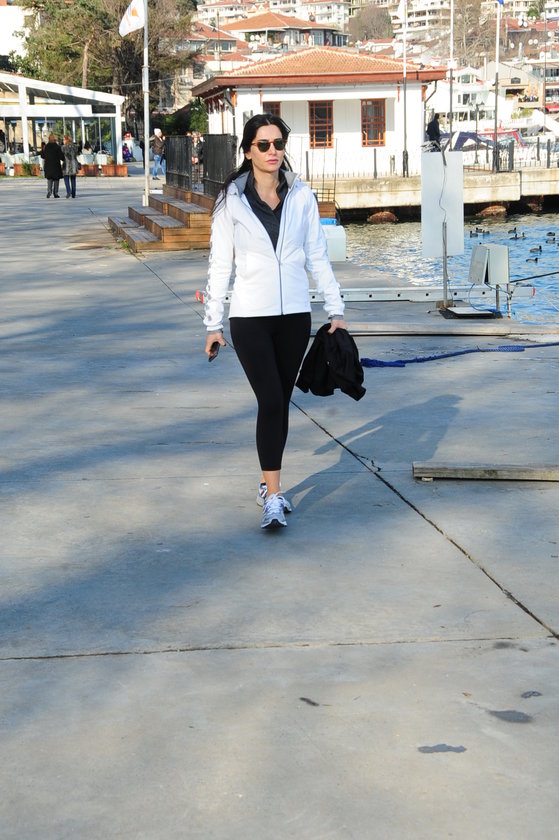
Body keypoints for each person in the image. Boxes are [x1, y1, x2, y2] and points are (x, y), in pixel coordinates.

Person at [203, 113, 347, 530]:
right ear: (248, 151)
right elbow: (219, 264)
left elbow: (317, 255)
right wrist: (213, 323)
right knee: (270, 400)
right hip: (250, 317)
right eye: (263, 144)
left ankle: (268, 484)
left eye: (278, 144)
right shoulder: (230, 201)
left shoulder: (302, 196)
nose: (272, 151)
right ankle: (274, 495)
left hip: (294, 317)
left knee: (280, 402)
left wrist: (335, 310)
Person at [40, 133, 64, 198]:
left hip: (48, 165)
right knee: (56, 179)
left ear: (49, 139)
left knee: (49, 179)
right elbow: (61, 156)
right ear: (55, 139)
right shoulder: (57, 147)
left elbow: (42, 155)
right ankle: (55, 193)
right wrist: (64, 159)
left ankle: (49, 191)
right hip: (56, 165)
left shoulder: (46, 147)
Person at [61, 134, 80, 198]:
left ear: (67, 140)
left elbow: (62, 156)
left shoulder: (63, 147)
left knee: (66, 179)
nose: (63, 141)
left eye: (64, 139)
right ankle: (73, 193)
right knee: (73, 179)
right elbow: (76, 154)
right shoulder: (75, 147)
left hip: (66, 164)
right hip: (74, 164)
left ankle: (68, 191)